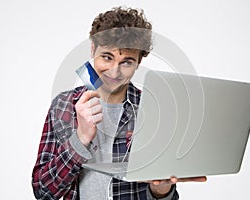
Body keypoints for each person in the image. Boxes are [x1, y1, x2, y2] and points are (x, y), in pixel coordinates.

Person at [32, 6, 206, 200]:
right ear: (92, 49)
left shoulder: (152, 109)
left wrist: (161, 190)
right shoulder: (63, 105)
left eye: (127, 62)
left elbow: (164, 194)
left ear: (138, 62)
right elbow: (43, 192)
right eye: (107, 57)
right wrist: (80, 138)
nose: (114, 72)